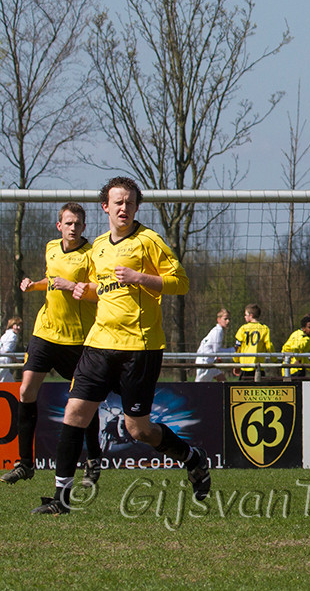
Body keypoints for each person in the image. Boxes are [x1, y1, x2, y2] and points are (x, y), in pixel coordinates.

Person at [31, 177, 210, 515]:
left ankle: (193, 459)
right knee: (74, 413)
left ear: (137, 207)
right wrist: (86, 290)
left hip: (139, 347)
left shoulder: (149, 241)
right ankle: (60, 499)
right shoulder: (98, 246)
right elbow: (102, 288)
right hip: (99, 343)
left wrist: (141, 278)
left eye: (129, 202)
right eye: (118, 202)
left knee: (138, 429)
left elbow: (181, 283)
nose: (123, 208)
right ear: (106, 207)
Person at [1, 204, 104, 488]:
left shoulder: (91, 254)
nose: (73, 228)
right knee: (26, 390)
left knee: (83, 402)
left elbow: (98, 292)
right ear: (59, 226)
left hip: (77, 340)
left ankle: (93, 460)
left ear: (84, 227)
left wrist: (71, 285)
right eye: (68, 223)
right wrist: (34, 284)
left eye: (78, 224)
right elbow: (51, 281)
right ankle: (25, 463)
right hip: (45, 332)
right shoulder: (51, 248)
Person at [233, 303, 273, 381]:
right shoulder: (264, 328)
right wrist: (274, 358)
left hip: (245, 365)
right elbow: (269, 346)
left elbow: (238, 347)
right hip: (259, 366)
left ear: (251, 315)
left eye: (246, 315)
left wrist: (236, 361)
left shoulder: (243, 328)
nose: (244, 317)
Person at [194, 308, 232, 382]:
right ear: (218, 319)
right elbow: (217, 351)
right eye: (225, 319)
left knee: (223, 380)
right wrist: (232, 350)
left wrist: (217, 358)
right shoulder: (218, 331)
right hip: (205, 363)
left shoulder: (217, 330)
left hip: (209, 361)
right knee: (200, 386)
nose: (228, 321)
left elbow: (214, 350)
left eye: (229, 319)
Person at [281, 314, 310, 381]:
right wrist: (298, 359)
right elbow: (295, 347)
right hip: (297, 370)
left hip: (286, 370)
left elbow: (285, 348)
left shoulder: (295, 333)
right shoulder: (305, 338)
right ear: (304, 328)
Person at [0, 316, 21, 383]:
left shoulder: (6, 334)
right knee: (5, 383)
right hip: (4, 363)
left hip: (3, 363)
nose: (19, 328)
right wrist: (17, 360)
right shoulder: (13, 336)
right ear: (12, 325)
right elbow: (7, 351)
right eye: (17, 325)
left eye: (20, 326)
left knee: (9, 382)